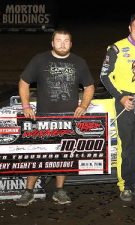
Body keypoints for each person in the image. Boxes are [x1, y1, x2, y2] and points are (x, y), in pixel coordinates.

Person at [16, 29, 95, 206]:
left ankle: (59, 190)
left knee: (64, 156)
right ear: (52, 43)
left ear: (71, 44)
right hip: (42, 119)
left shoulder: (79, 62)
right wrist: (26, 106)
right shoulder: (39, 59)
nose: (62, 44)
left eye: (66, 40)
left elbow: (89, 87)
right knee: (37, 156)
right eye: (58, 40)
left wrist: (83, 105)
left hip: (68, 120)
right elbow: (23, 82)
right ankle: (28, 191)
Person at [99, 12, 135, 202]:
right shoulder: (116, 48)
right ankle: (124, 186)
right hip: (124, 101)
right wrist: (120, 97)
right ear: (129, 28)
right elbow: (104, 76)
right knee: (126, 145)